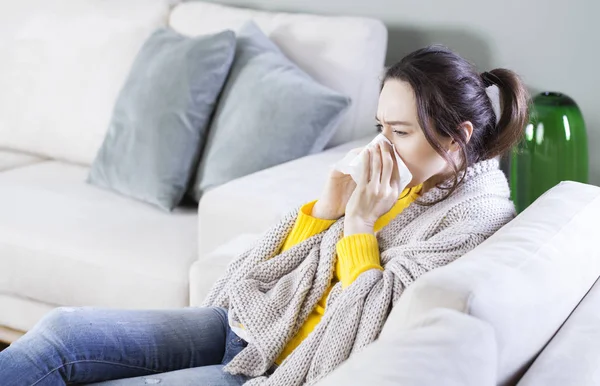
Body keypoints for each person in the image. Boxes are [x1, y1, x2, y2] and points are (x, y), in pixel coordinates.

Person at [0, 44, 529, 386]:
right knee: (61, 333)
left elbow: (368, 327)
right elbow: (273, 269)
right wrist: (329, 207)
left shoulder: (474, 216)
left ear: (459, 136)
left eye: (401, 132)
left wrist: (362, 227)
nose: (381, 146)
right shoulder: (407, 180)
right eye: (379, 127)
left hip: (287, 366)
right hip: (255, 325)